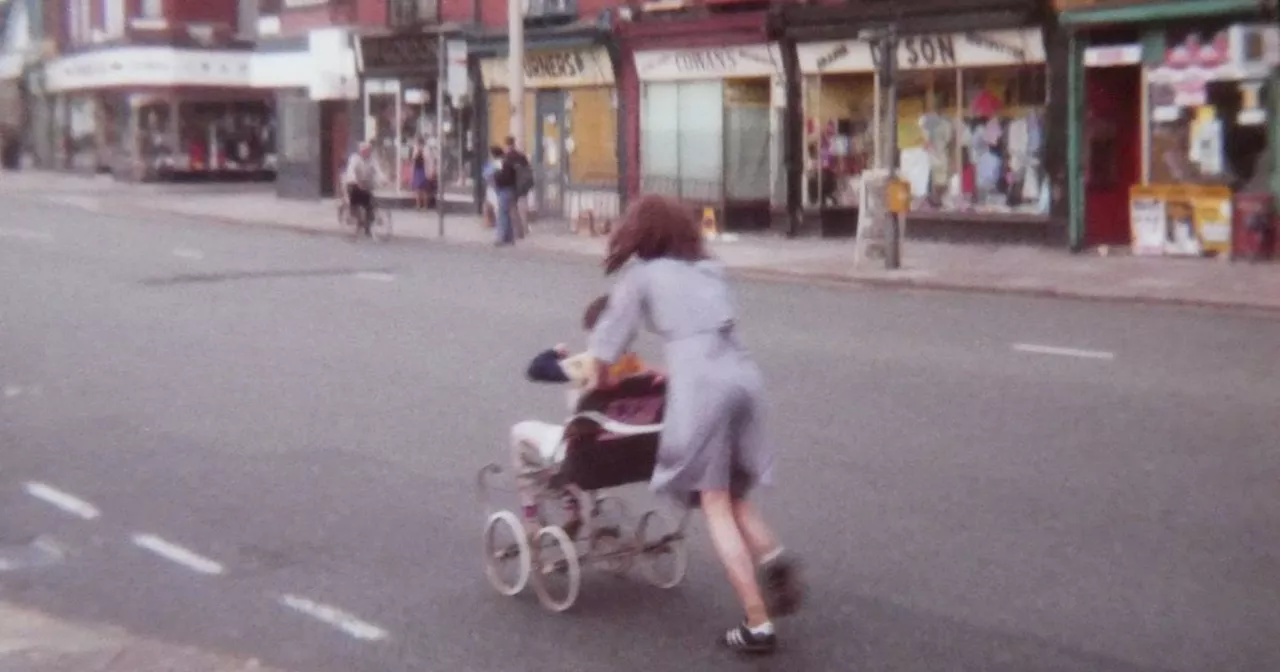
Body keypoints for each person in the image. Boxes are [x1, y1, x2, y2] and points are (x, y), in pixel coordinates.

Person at [587, 194, 802, 655]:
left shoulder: (641, 275)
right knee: (737, 493)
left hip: (702, 387)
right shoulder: (709, 268)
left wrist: (602, 383)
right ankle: (774, 559)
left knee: (715, 502)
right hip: (742, 376)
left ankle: (757, 623)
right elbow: (703, 331)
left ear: (641, 232)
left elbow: (608, 343)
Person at [510, 296, 655, 538]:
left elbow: (536, 369)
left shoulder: (586, 364)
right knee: (586, 438)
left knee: (521, 433)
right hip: (628, 452)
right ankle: (574, 506)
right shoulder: (638, 366)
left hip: (584, 452)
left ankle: (532, 518)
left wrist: (554, 353)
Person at [342, 142, 387, 236]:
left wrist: (383, 179)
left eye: (369, 151)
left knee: (369, 205)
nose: (367, 153)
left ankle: (368, 226)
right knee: (354, 202)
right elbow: (351, 170)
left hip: (365, 184)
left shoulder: (372, 160)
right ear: (360, 151)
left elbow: (378, 171)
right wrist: (355, 181)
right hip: (354, 183)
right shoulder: (354, 158)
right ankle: (357, 220)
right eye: (365, 151)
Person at [481, 146, 504, 229]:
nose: (489, 155)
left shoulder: (497, 163)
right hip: (493, 188)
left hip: (495, 188)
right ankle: (490, 223)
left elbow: (489, 175)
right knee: (488, 206)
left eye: (490, 154)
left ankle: (496, 224)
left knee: (496, 207)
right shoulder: (495, 163)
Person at [410, 137, 430, 210]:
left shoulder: (425, 150)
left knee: (423, 189)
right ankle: (418, 205)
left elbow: (427, 160)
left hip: (422, 170)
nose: (416, 144)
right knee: (418, 189)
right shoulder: (416, 150)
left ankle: (424, 205)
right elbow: (413, 160)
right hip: (417, 170)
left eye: (417, 142)